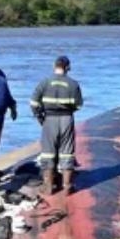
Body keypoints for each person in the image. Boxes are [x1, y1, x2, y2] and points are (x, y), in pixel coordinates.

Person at [30, 56, 83, 196]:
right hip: (66, 119)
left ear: (54, 66)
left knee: (48, 152)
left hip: (49, 119)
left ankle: (48, 187)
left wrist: (40, 117)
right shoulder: (73, 84)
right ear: (67, 68)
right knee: (67, 151)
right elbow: (79, 105)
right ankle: (67, 186)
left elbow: (34, 103)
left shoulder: (45, 82)